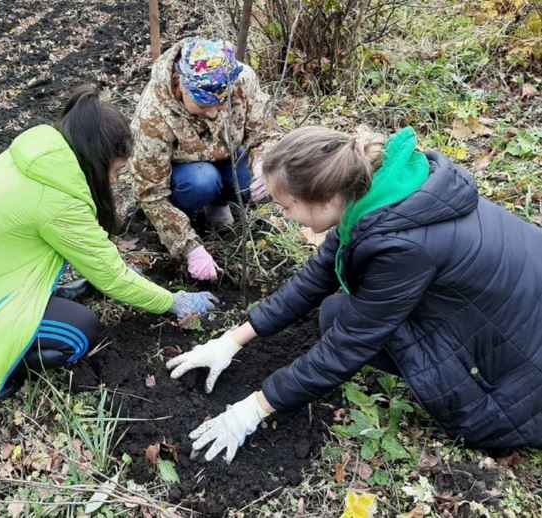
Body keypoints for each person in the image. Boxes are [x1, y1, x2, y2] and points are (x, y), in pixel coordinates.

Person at [166, 125, 542, 462]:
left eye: (286, 207)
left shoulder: (402, 244)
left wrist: (252, 410)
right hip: (502, 306)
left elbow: (348, 347)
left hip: (523, 361)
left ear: (325, 200)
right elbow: (317, 275)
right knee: (336, 312)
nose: (285, 217)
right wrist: (231, 341)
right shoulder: (375, 195)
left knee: (346, 323)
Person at [0, 86, 218, 404]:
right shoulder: (59, 198)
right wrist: (173, 301)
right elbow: (112, 277)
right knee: (78, 332)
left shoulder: (40, 158)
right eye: (115, 171)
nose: (115, 181)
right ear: (97, 157)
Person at [130, 37, 274, 282]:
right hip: (186, 174)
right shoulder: (153, 115)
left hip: (229, 156)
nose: (213, 113)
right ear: (181, 86)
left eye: (221, 104)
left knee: (264, 181)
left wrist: (264, 163)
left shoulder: (242, 80)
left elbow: (265, 134)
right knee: (202, 180)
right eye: (202, 104)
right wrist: (189, 248)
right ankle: (189, 214)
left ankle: (218, 203)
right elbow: (151, 193)